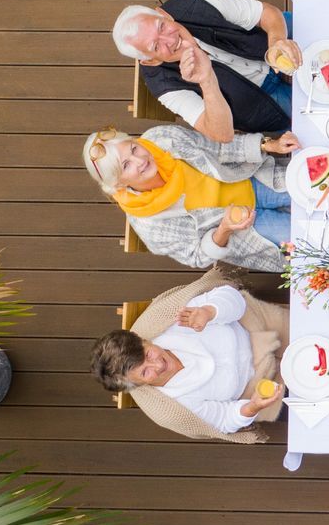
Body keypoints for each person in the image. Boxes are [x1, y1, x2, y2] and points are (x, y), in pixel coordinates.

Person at [84, 124, 294, 271]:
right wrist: (225, 229)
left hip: (253, 179)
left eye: (134, 149)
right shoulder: (149, 226)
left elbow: (219, 148)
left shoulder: (161, 138)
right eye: (126, 165)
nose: (140, 160)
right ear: (118, 184)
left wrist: (268, 145)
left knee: (320, 187)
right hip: (246, 231)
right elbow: (197, 256)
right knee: (309, 238)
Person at [89, 284, 286, 441]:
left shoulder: (173, 321)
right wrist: (251, 407)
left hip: (260, 328)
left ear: (144, 341)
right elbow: (224, 420)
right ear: (139, 385)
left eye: (148, 355)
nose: (158, 366)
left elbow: (231, 296)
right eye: (145, 373)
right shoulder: (175, 405)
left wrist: (209, 312)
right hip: (260, 386)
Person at [112, 0, 302, 142]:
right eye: (156, 46)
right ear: (150, 60)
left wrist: (277, 42)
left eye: (161, 26)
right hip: (258, 100)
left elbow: (266, 12)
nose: (170, 39)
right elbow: (222, 135)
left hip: (267, 41)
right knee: (316, 117)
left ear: (163, 14)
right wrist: (207, 80)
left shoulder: (196, 3)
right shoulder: (163, 86)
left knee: (318, 27)